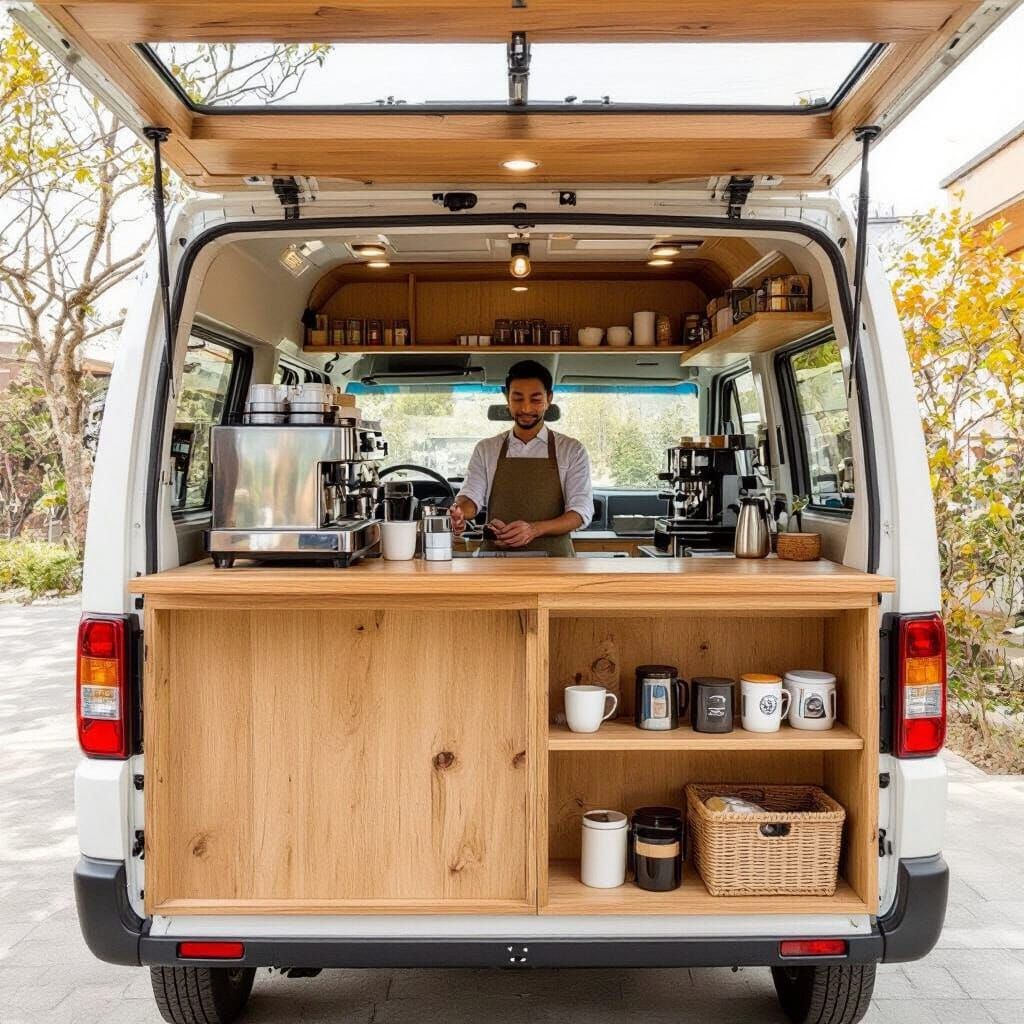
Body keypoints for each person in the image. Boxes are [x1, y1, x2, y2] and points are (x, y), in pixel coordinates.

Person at [450, 360, 593, 556]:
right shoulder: (486, 449)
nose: (526, 408)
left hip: (555, 563)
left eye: (535, 399)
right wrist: (459, 514)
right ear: (507, 398)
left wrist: (534, 529)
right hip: (496, 562)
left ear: (549, 398)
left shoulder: (571, 450)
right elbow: (471, 499)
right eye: (517, 398)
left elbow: (579, 513)